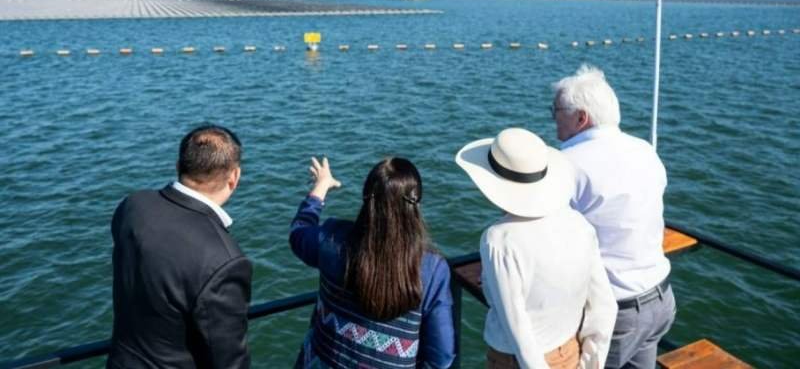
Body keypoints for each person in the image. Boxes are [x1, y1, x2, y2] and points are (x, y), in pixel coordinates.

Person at [456, 127, 617, 369]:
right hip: (570, 351)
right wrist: (590, 362)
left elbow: (519, 332)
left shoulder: (499, 239)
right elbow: (605, 305)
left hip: (514, 362)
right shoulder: (578, 223)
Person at [551, 65, 676, 369]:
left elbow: (549, 235)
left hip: (614, 312)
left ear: (581, 118)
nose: (552, 117)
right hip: (660, 298)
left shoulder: (566, 164)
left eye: (555, 110)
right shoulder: (645, 151)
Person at [289, 156, 455, 369]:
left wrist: (321, 186)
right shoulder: (432, 269)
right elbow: (441, 358)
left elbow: (298, 233)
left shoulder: (333, 240)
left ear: (366, 198)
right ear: (416, 204)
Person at [107, 125, 252, 369]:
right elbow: (228, 360)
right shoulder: (225, 261)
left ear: (178, 166)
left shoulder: (132, 207)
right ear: (234, 177)